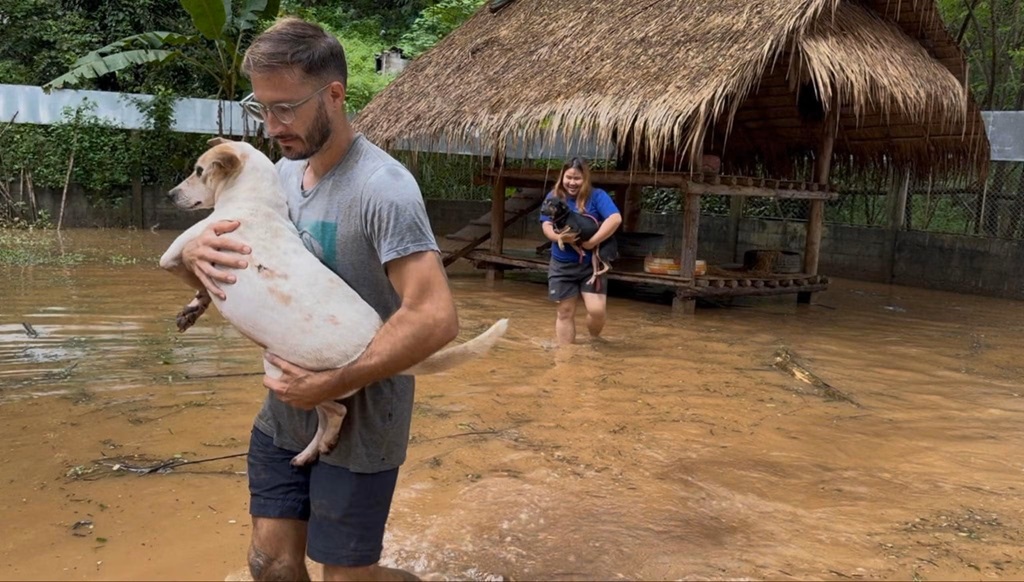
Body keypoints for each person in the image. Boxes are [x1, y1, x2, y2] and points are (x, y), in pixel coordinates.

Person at [172, 17, 458, 582]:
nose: (272, 126)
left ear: (333, 95)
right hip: (284, 410)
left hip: (362, 417)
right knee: (270, 564)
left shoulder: (383, 188)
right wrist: (196, 259)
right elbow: (248, 279)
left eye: (286, 108)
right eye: (262, 110)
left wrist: (327, 386)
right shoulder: (276, 177)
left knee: (346, 578)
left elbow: (435, 317)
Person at [540, 157, 622, 345]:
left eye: (577, 178)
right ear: (562, 177)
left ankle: (594, 340)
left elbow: (615, 219)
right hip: (562, 264)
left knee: (597, 311)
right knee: (565, 312)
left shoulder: (597, 196)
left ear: (585, 179)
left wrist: (592, 242)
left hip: (590, 265)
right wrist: (558, 237)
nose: (572, 182)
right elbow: (546, 224)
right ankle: (566, 357)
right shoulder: (554, 196)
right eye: (568, 177)